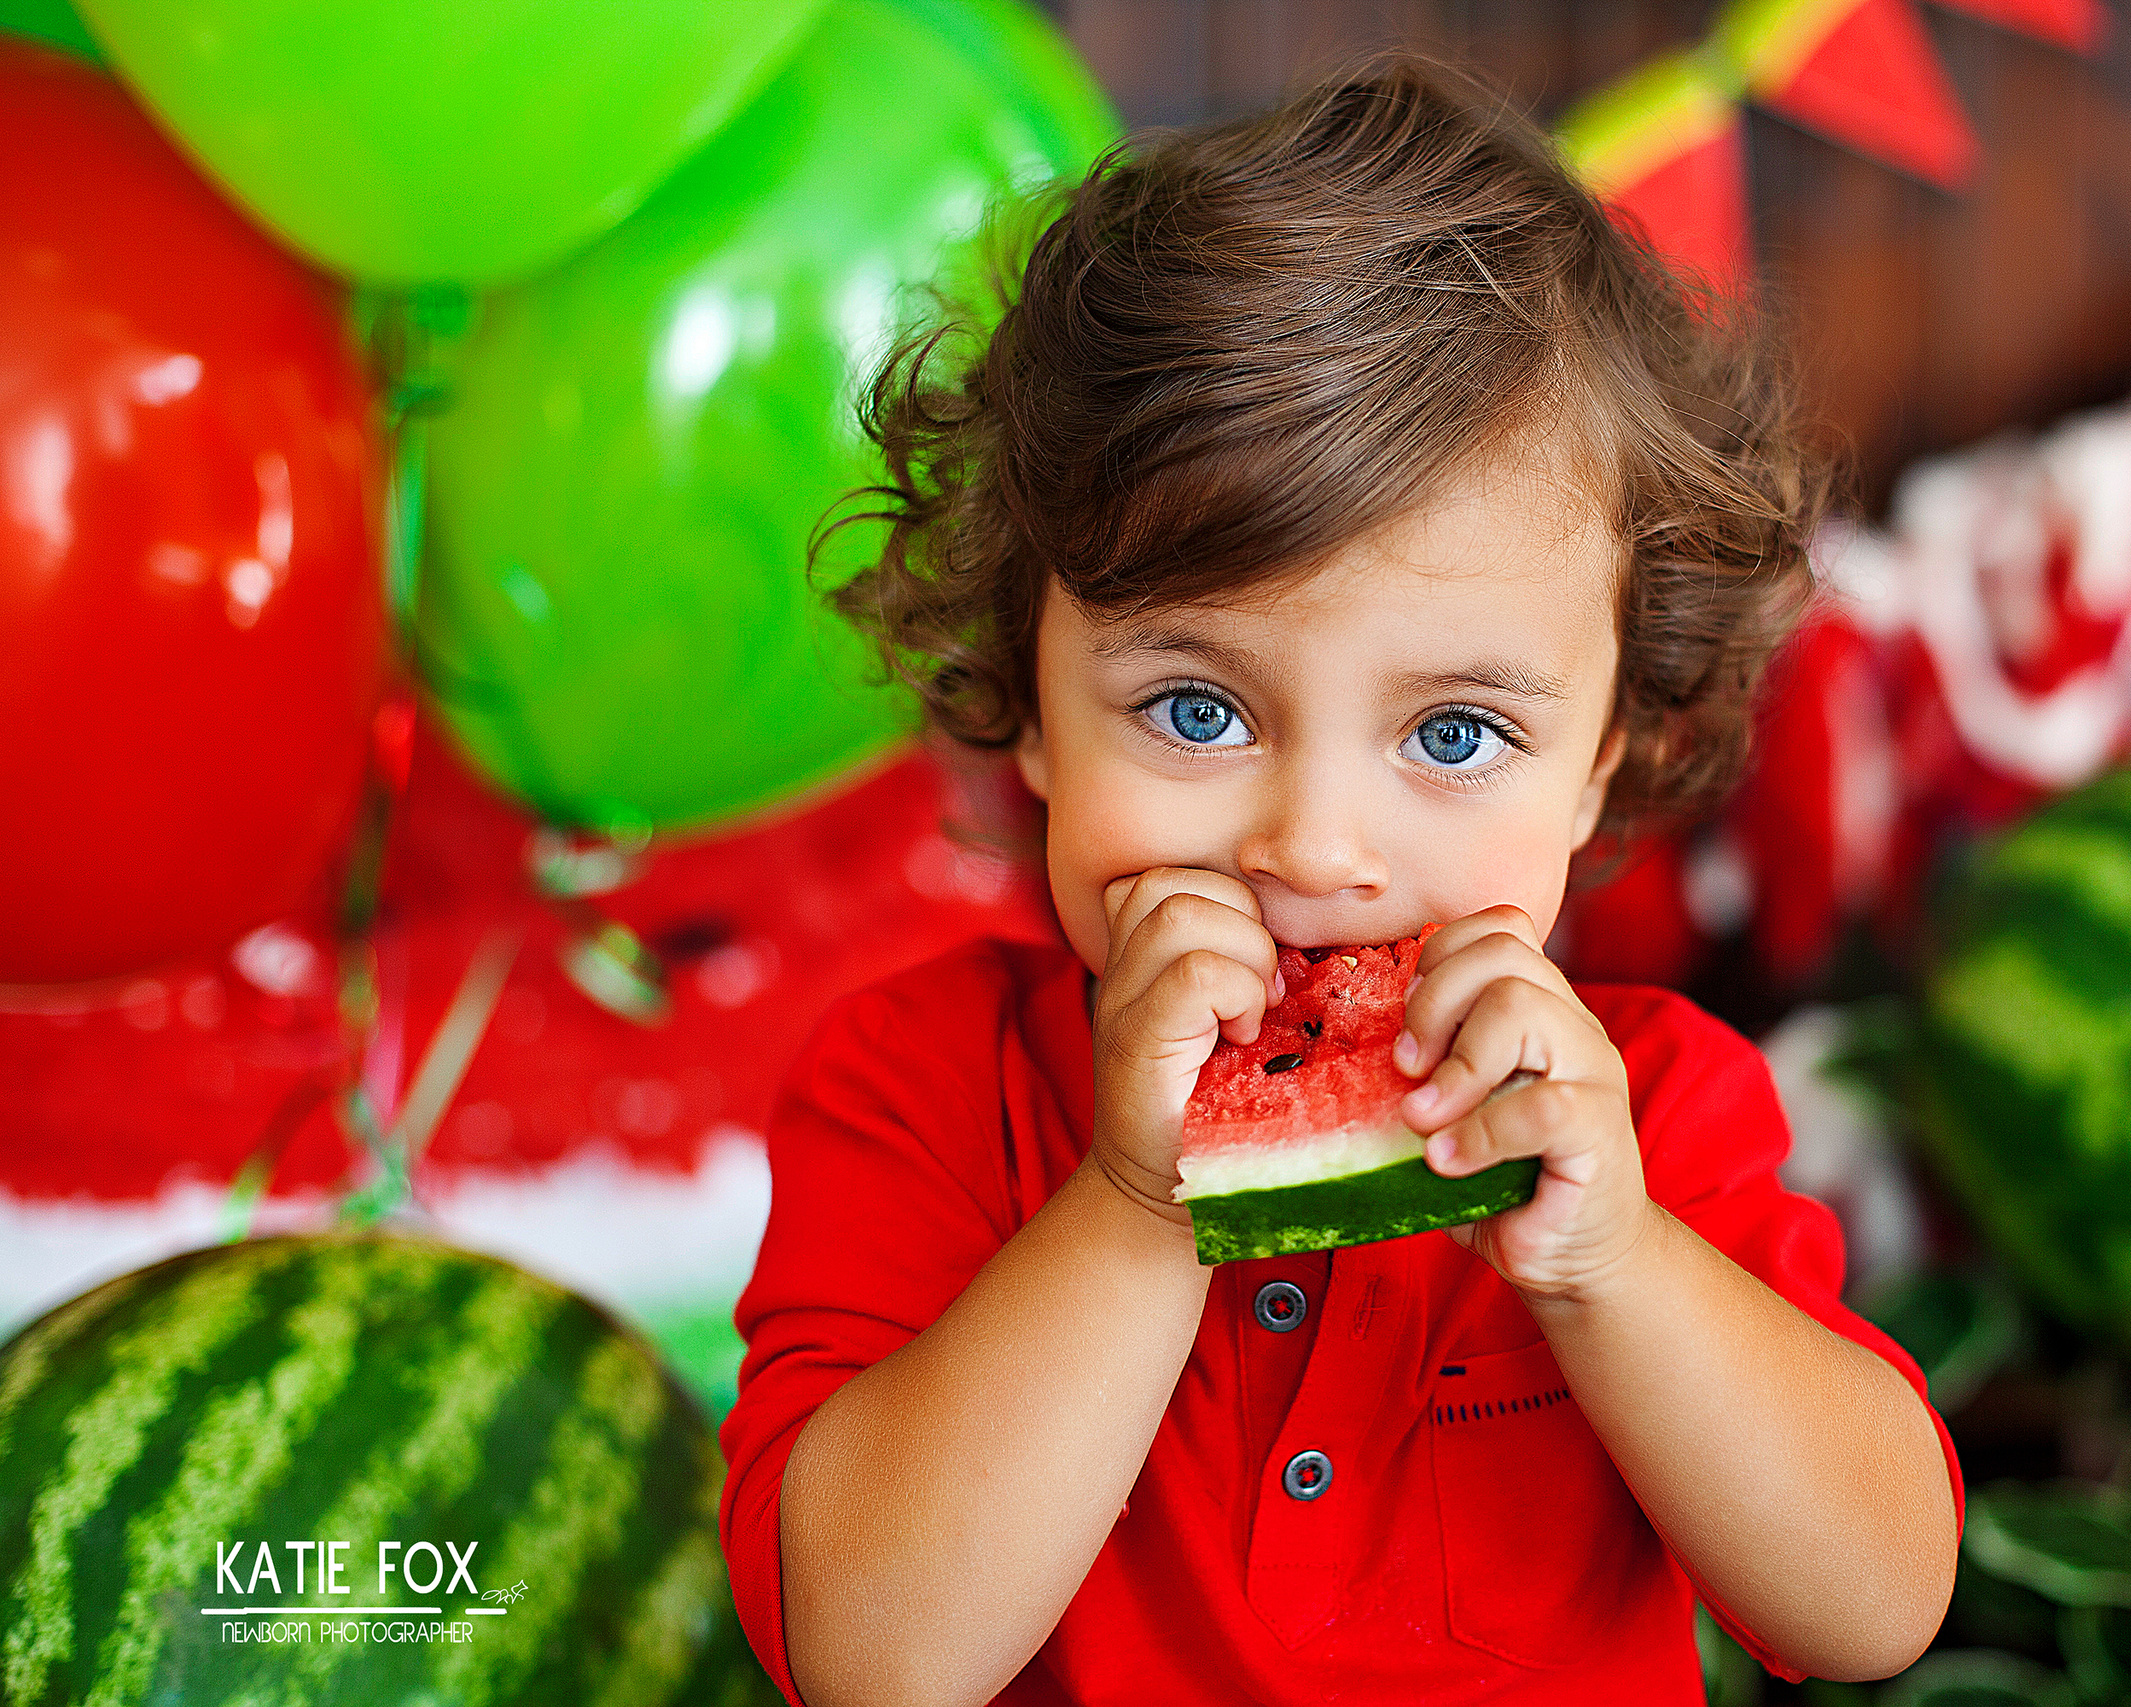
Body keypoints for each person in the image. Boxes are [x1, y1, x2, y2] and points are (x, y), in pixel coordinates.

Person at [718, 56, 1963, 1707]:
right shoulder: (921, 1096)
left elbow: (1873, 1608)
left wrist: (1615, 1266)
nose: (1313, 849)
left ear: (1598, 759)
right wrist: (1139, 1205)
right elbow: (874, 1660)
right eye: (1198, 709)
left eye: (1453, 732)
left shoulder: (1655, 1115)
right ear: (1025, 704)